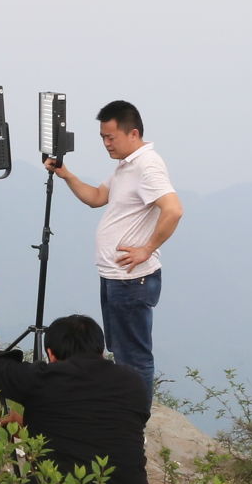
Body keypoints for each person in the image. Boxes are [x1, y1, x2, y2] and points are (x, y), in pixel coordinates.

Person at [0, 261, 159, 484]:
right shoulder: (133, 383)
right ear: (100, 352)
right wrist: (30, 425)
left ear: (51, 354)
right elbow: (98, 427)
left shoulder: (43, 380)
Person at [43, 99, 181, 391]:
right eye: (103, 137)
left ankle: (136, 417)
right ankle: (123, 407)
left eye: (111, 137)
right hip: (115, 276)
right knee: (120, 351)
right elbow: (96, 198)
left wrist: (147, 248)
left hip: (132, 279)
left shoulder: (147, 166)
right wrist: (67, 175)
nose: (106, 144)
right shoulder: (125, 166)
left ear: (133, 133)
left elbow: (173, 210)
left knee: (134, 357)